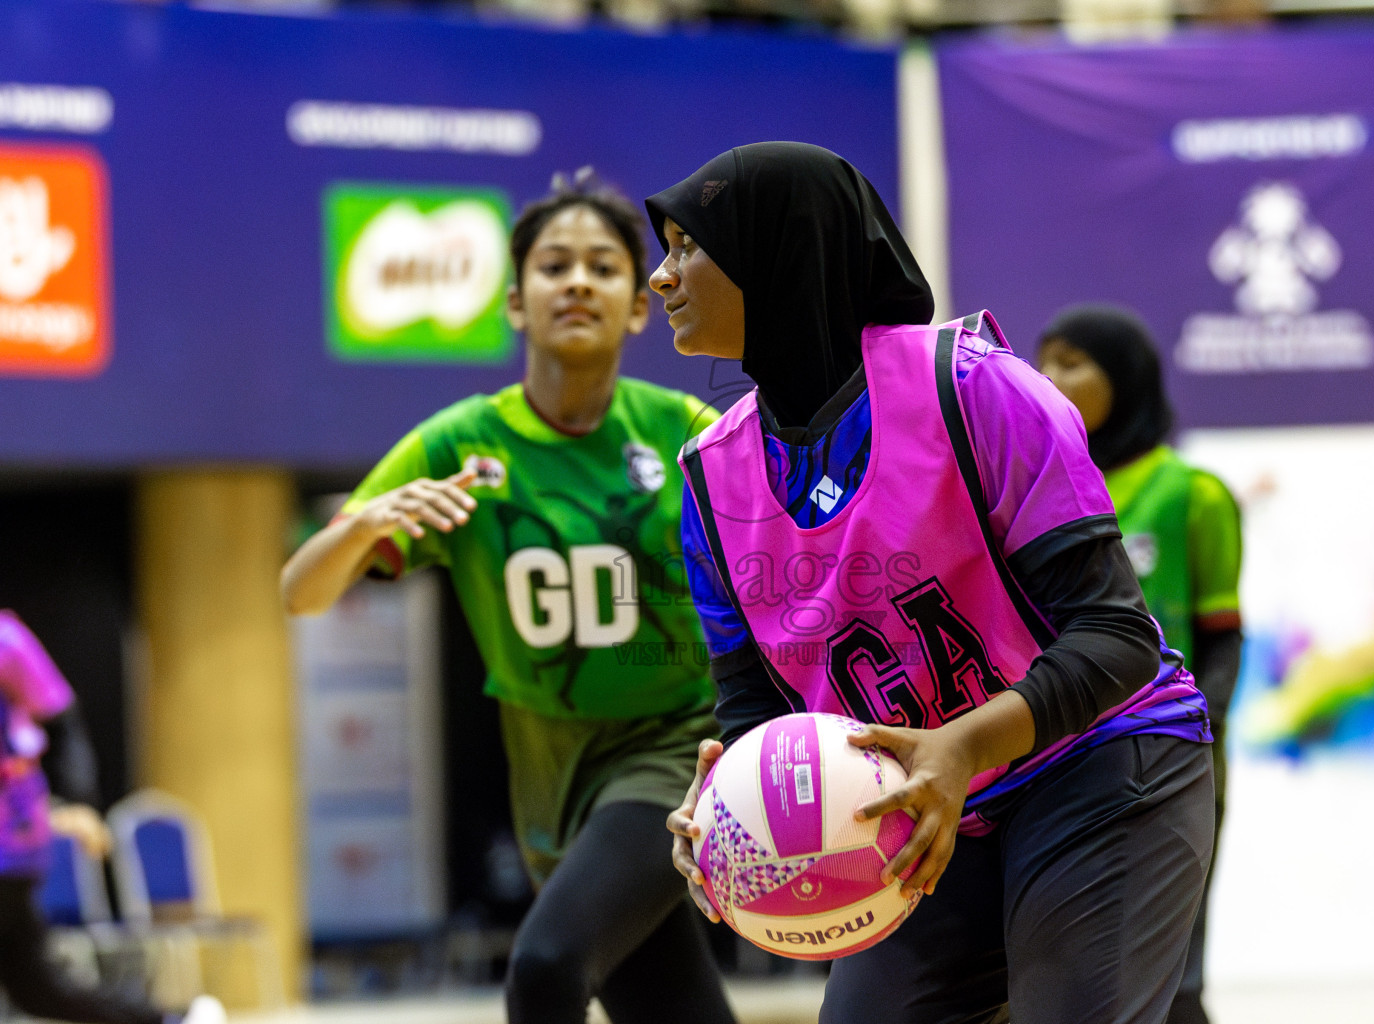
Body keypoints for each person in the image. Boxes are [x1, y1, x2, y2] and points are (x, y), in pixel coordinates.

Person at [651, 141, 1216, 1024]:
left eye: (688, 244)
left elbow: (1115, 641)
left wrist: (959, 747)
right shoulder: (707, 476)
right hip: (914, 808)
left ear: (777, 248)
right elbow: (756, 713)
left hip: (1100, 766)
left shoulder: (977, 388)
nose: (662, 275)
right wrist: (732, 818)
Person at [280, 170, 736, 1024]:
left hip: (675, 750)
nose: (575, 282)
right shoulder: (459, 443)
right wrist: (355, 527)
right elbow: (301, 596)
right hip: (549, 774)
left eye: (602, 267)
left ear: (638, 308)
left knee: (546, 966)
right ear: (515, 303)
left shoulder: (685, 432)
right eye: (553, 265)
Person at [1036, 306, 1242, 1024]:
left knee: (1174, 975)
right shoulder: (1035, 488)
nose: (1048, 380)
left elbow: (1222, 635)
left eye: (1070, 363)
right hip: (1055, 757)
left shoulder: (1192, 492)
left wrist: (1197, 731)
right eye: (1043, 361)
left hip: (1172, 755)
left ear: (1123, 379)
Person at [0, 610, 226, 1024]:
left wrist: (76, 800)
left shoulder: (5, 640)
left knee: (34, 982)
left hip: (9, 840)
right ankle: (172, 1021)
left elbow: (62, 723)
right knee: (35, 987)